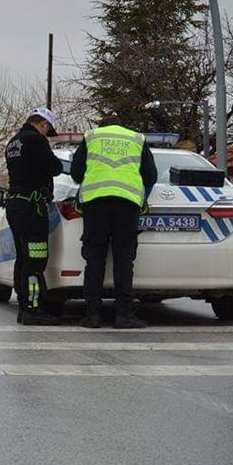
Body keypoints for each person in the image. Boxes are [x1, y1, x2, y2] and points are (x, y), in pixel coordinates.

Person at [70, 120, 157, 329]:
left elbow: (75, 173)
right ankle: (123, 315)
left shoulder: (91, 137)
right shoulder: (136, 139)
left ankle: (92, 315)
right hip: (127, 204)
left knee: (95, 258)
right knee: (124, 259)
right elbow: (151, 176)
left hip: (95, 203)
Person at [4, 108, 64, 325]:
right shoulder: (36, 140)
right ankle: (33, 308)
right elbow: (54, 167)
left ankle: (23, 306)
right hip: (32, 208)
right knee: (36, 260)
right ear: (43, 125)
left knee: (23, 258)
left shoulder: (13, 142)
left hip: (16, 205)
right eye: (46, 130)